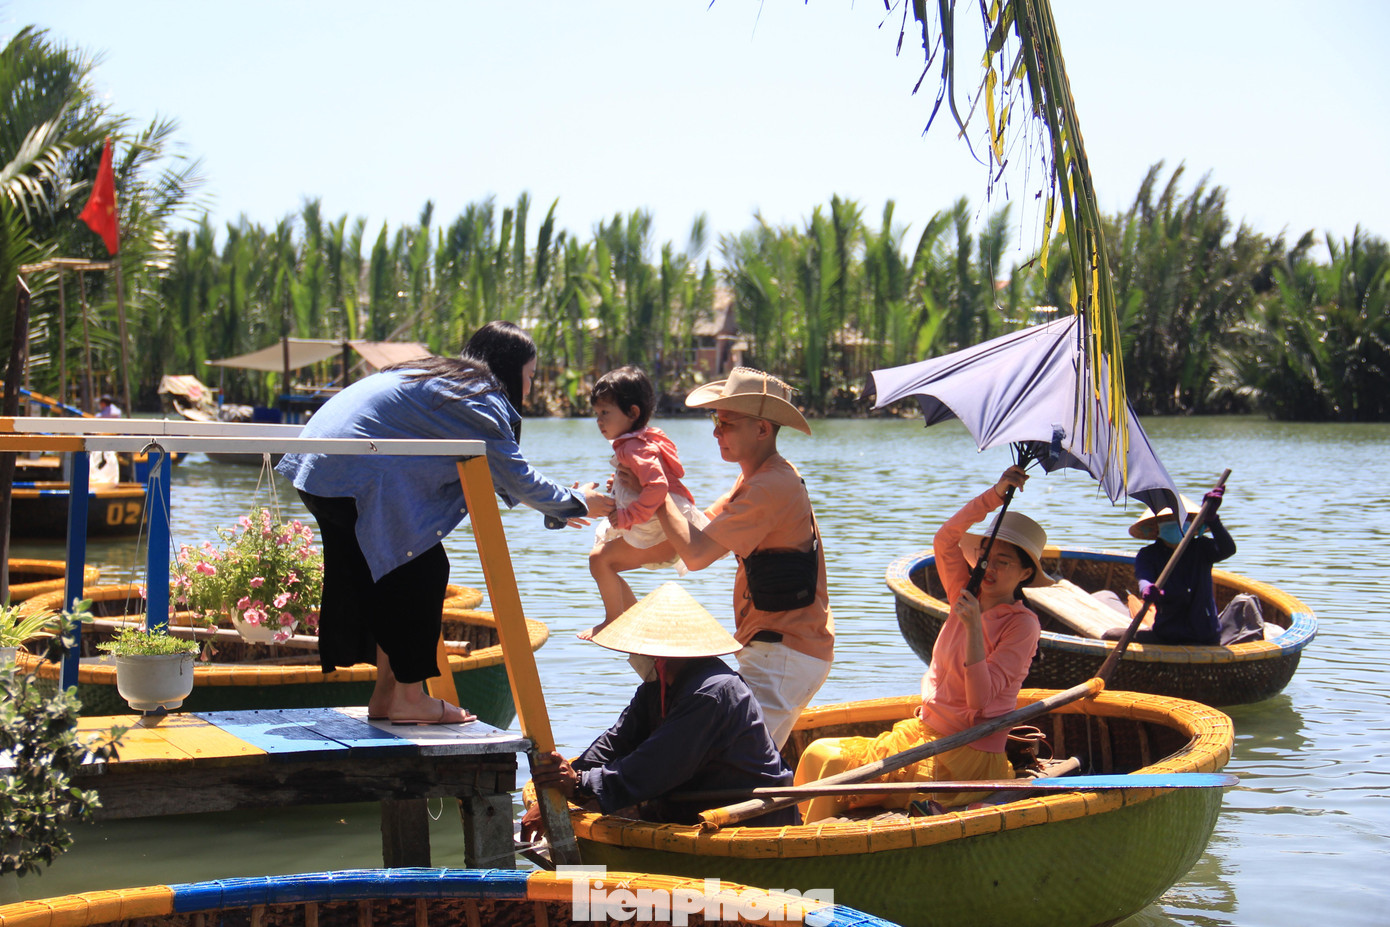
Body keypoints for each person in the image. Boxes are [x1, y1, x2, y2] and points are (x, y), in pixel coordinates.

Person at [276, 321, 614, 725]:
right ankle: (408, 697)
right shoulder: (479, 397)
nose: (528, 389)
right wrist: (578, 503)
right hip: (350, 473)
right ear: (510, 369)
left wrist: (563, 505)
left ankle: (388, 697)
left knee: (396, 572)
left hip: (318, 472)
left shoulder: (441, 379)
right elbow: (516, 477)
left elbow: (500, 477)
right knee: (423, 568)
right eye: (529, 376)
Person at [792, 466, 1046, 822]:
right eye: (987, 556)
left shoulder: (1022, 624)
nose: (990, 568)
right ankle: (802, 833)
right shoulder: (965, 592)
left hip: (966, 751)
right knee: (818, 752)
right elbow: (945, 538)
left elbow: (980, 700)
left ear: (1024, 574)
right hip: (924, 731)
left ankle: (814, 849)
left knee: (836, 765)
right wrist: (994, 495)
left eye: (1004, 562)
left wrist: (974, 627)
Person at [642, 367, 832, 750]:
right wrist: (625, 515)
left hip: (786, 654)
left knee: (735, 763)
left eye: (726, 422)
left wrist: (658, 492)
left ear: (762, 429)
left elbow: (695, 555)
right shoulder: (753, 480)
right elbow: (694, 534)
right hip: (770, 649)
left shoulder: (771, 485)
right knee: (722, 751)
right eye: (716, 420)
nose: (715, 431)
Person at [521, 582, 798, 835]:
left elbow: (656, 765)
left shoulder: (712, 692)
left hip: (748, 820)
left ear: (660, 654)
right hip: (692, 807)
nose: (635, 656)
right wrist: (563, 787)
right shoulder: (657, 686)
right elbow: (617, 740)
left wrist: (580, 784)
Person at [582, 365, 707, 640]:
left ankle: (615, 621)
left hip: (659, 527)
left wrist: (629, 515)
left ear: (633, 413)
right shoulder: (641, 440)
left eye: (605, 412)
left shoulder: (634, 447)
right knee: (603, 559)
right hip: (664, 526)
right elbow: (651, 481)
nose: (599, 421)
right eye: (596, 414)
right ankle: (627, 621)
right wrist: (621, 487)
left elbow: (658, 485)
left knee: (599, 561)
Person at [1107, 486, 1263, 645]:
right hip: (1166, 634)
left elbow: (1228, 549)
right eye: (1167, 520)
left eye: (1180, 520)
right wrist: (1148, 589)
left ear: (1190, 524)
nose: (1174, 523)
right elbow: (1144, 578)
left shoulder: (1202, 547)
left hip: (1205, 635)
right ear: (1157, 526)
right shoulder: (1148, 554)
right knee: (1111, 635)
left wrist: (1213, 520)